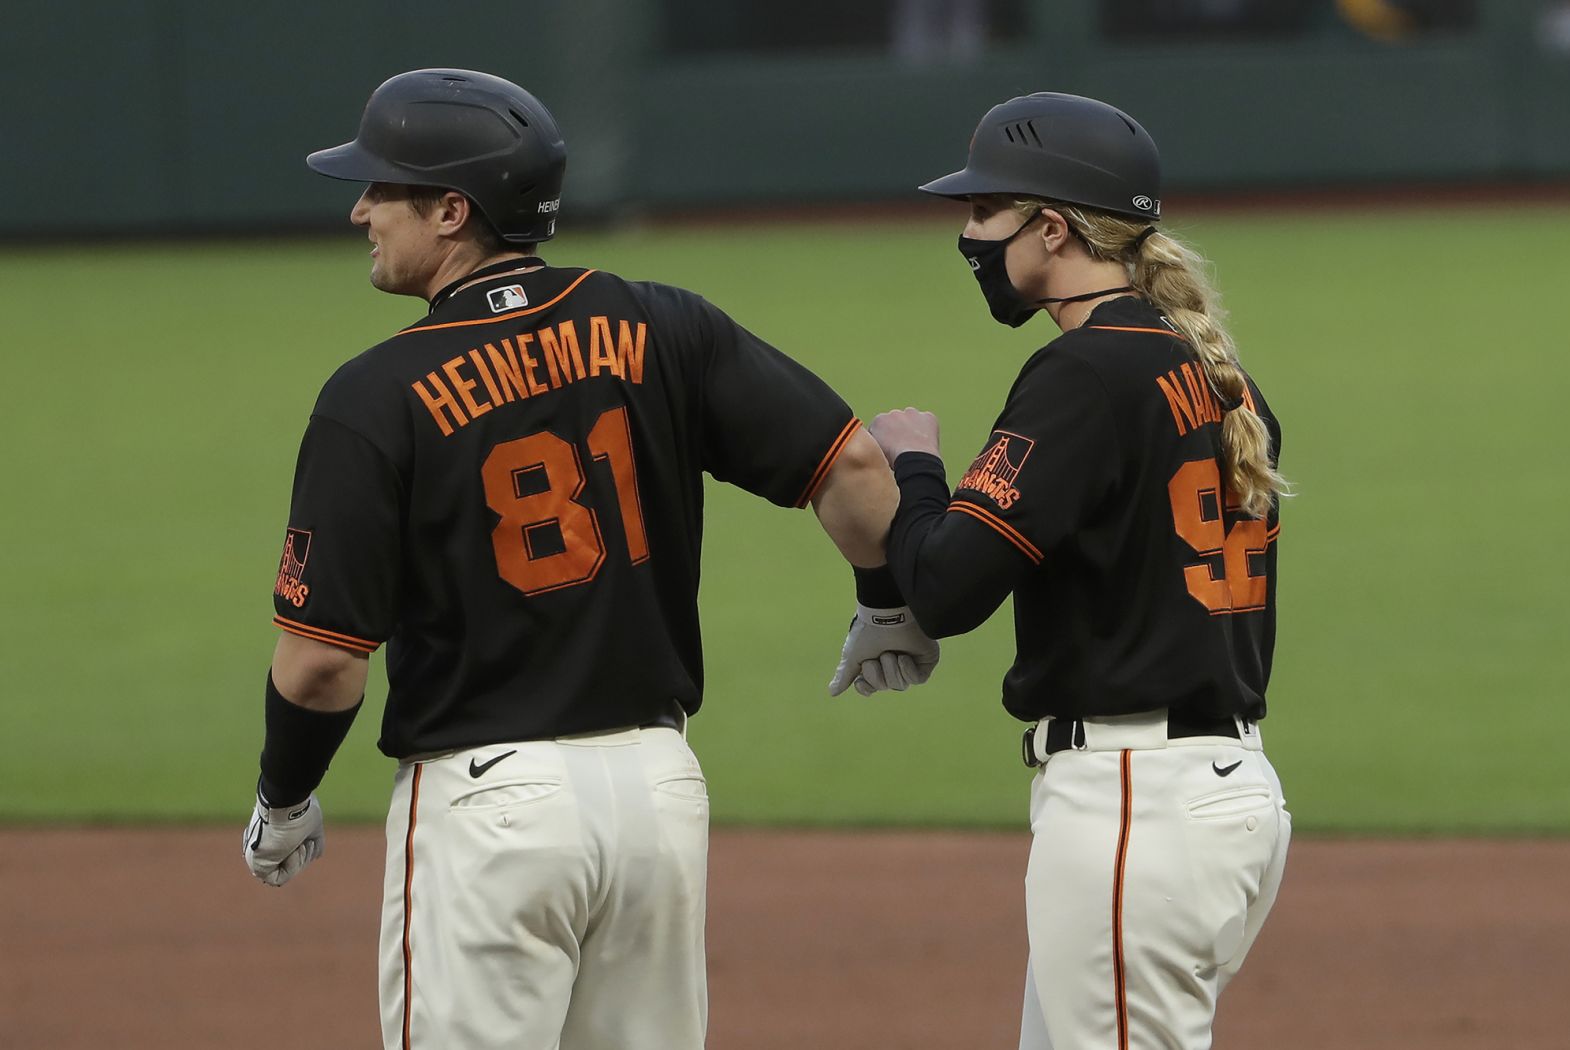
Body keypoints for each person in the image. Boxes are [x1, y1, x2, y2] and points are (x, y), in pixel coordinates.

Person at [240, 68, 938, 1050]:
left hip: (489, 813)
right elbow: (854, 464)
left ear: (451, 210)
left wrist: (283, 793)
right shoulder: (664, 324)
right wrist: (886, 601)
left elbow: (320, 665)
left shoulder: (376, 393)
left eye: (380, 187)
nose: (360, 209)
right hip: (658, 797)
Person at [867, 92, 1293, 1049]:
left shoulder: (1085, 376)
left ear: (1051, 228)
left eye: (985, 213)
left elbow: (947, 587)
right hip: (1225, 791)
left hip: (1137, 803)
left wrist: (913, 466)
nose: (971, 236)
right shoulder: (1220, 376)